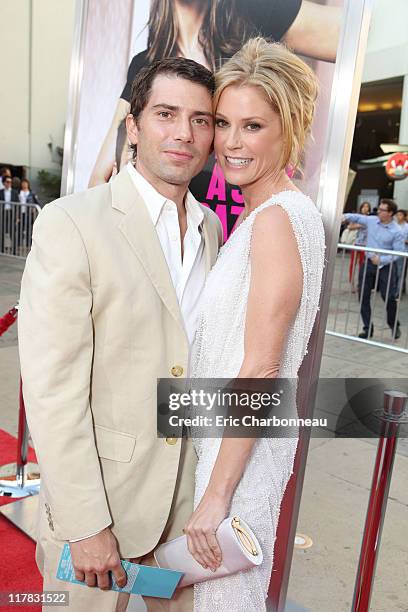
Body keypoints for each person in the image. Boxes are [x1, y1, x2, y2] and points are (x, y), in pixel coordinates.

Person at [18, 57, 222, 612]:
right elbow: (52, 390)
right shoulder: (72, 222)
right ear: (133, 126)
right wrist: (86, 523)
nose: (184, 132)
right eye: (166, 114)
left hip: (185, 514)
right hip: (102, 508)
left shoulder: (210, 230)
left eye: (201, 119)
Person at [182, 38, 325, 611]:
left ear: (287, 131)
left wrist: (218, 494)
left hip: (237, 455)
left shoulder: (277, 220)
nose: (231, 143)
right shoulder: (268, 215)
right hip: (229, 442)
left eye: (253, 126)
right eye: (223, 123)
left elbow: (263, 365)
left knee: (225, 599)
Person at [89, 0, 342, 186]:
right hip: (167, 229)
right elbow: (102, 175)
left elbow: (348, 32)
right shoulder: (145, 64)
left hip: (228, 221)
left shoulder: (253, 18)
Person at [343, 199, 405, 339]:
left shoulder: (397, 231)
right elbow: (357, 217)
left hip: (386, 266)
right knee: (363, 295)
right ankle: (367, 327)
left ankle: (393, 324)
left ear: (390, 213)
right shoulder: (372, 220)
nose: (379, 212)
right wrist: (344, 216)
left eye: (382, 210)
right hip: (369, 263)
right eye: (379, 209)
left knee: (388, 296)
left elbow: (399, 253)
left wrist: (381, 260)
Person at [347, 201, 371, 286]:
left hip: (366, 245)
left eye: (367, 207)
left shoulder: (370, 219)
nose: (365, 208)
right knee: (353, 264)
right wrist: (359, 226)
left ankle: (360, 283)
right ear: (361, 208)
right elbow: (349, 227)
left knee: (362, 265)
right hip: (356, 244)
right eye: (363, 206)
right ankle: (352, 283)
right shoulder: (357, 218)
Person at [0, 175, 19, 253]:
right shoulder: (0, 192)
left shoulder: (14, 192)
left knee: (12, 231)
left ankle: (14, 250)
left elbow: (18, 204)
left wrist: (18, 217)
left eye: (10, 182)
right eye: (7, 182)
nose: (9, 183)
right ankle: (1, 250)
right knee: (1, 231)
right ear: (4, 183)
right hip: (2, 213)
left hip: (12, 213)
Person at [395, 208, 408, 294]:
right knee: (394, 272)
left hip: (403, 251)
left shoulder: (407, 226)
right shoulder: (394, 225)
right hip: (393, 251)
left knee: (400, 272)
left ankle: (398, 292)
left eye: (400, 215)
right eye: (397, 215)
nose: (398, 217)